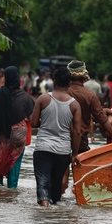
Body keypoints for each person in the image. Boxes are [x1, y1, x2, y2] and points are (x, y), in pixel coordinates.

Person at [64, 60, 112, 191]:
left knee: (62, 172)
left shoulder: (62, 93)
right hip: (81, 141)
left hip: (61, 140)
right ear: (84, 76)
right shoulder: (90, 95)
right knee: (80, 179)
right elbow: (101, 118)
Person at [31, 67, 81, 207]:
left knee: (42, 182)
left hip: (43, 148)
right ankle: (55, 216)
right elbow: (77, 132)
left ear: (54, 81)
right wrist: (75, 153)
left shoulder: (43, 99)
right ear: (69, 83)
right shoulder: (74, 105)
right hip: (63, 151)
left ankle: (44, 209)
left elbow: (34, 123)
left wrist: (46, 121)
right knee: (56, 184)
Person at [0, 66, 34, 188]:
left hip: (0, 135)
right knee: (14, 164)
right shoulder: (25, 97)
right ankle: (12, 191)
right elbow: (33, 120)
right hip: (18, 135)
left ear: (6, 78)